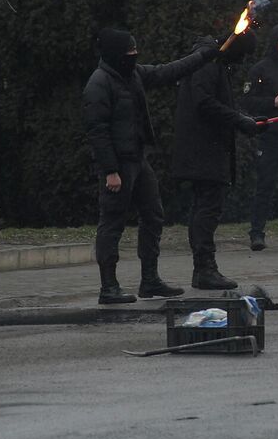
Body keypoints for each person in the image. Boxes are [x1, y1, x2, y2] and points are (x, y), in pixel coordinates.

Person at [83, 30, 219, 304]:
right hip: (117, 165)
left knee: (154, 215)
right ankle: (108, 287)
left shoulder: (133, 74)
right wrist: (110, 170)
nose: (134, 57)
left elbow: (169, 71)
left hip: (137, 159)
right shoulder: (99, 83)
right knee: (112, 223)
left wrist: (201, 57)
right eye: (129, 53)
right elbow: (97, 131)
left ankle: (150, 280)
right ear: (115, 55)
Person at [169, 29, 268, 291]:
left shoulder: (213, 63)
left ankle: (204, 268)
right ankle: (204, 269)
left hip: (206, 149)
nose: (242, 63)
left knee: (206, 208)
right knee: (207, 209)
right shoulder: (208, 63)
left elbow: (216, 104)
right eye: (243, 56)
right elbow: (205, 104)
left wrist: (245, 119)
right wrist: (240, 120)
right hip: (203, 150)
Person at [240, 23, 278, 250]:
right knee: (265, 184)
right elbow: (247, 101)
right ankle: (257, 234)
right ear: (275, 43)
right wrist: (272, 103)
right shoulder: (260, 70)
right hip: (270, 135)